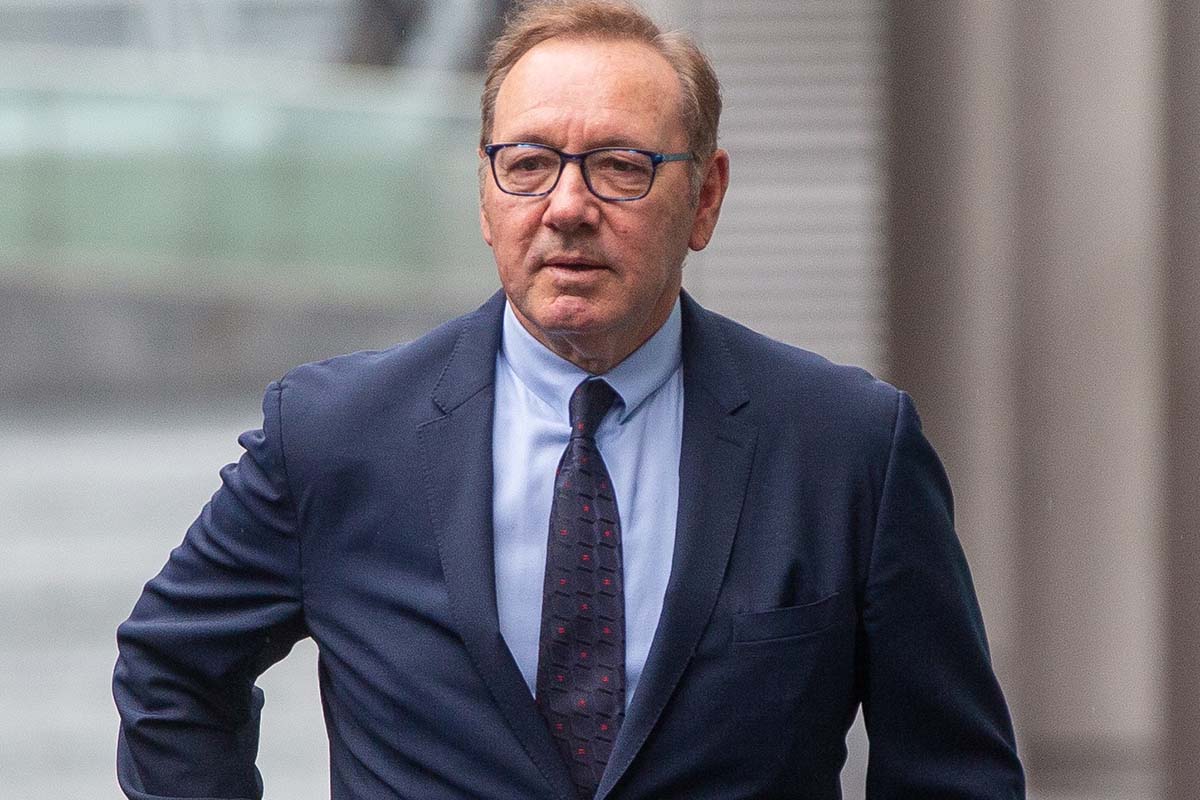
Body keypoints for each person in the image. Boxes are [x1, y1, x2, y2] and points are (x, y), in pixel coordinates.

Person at [113, 1, 1025, 798]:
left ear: (705, 198)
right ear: (485, 194)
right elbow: (171, 669)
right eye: (529, 163)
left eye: (621, 166)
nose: (568, 206)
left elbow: (952, 770)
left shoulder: (848, 448)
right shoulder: (334, 436)